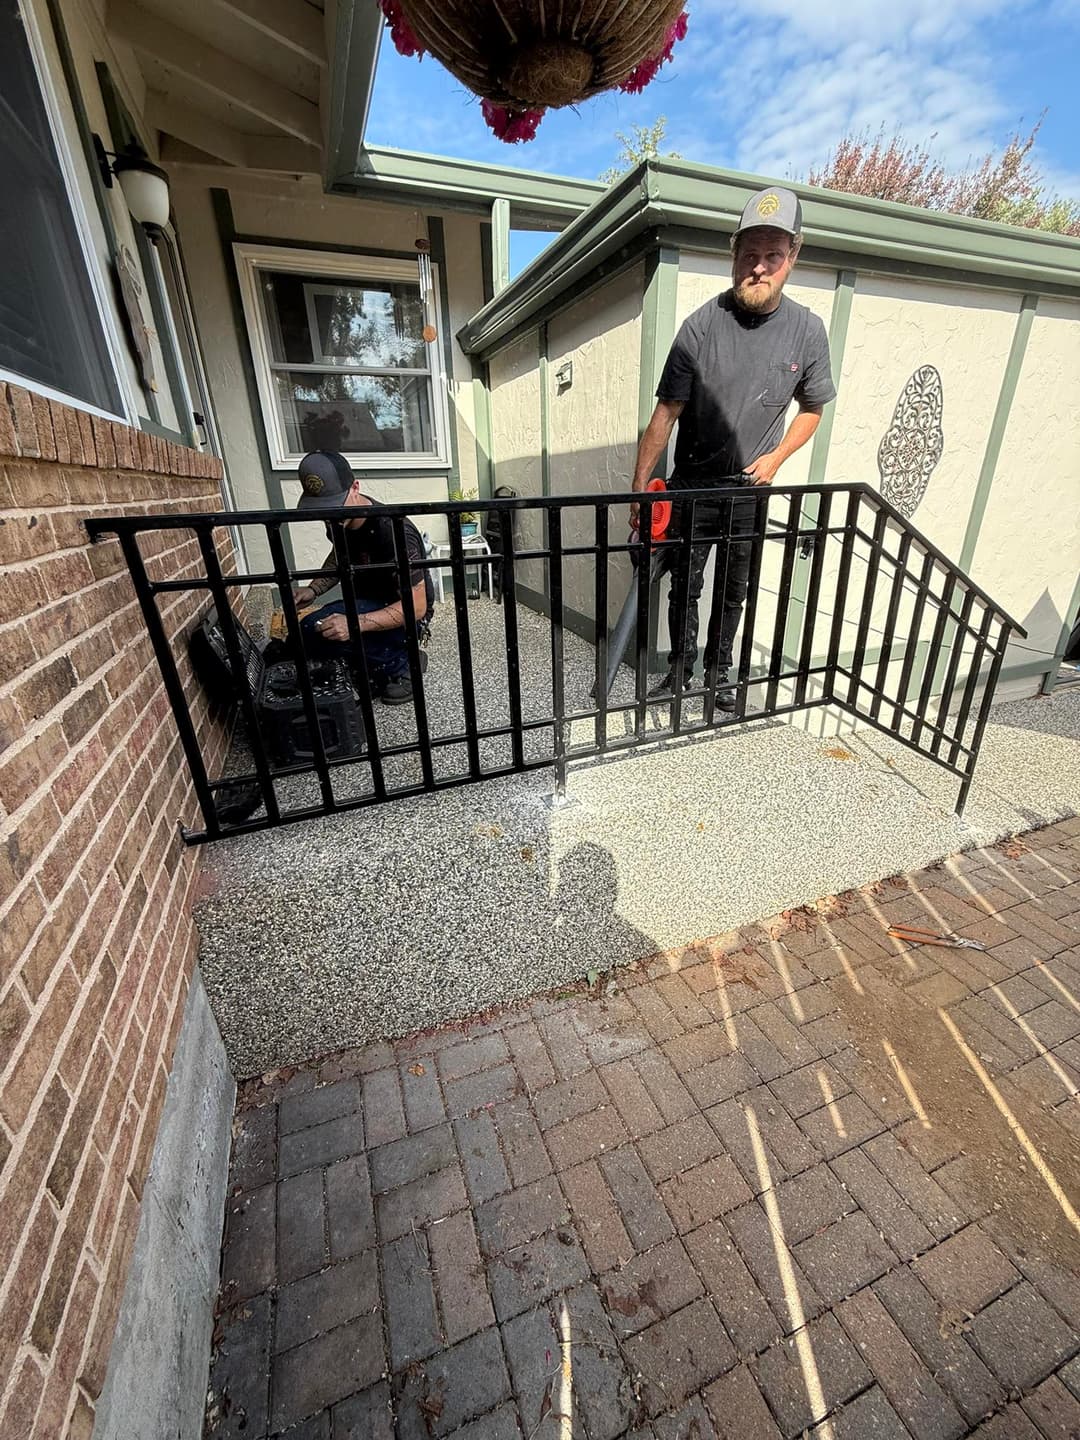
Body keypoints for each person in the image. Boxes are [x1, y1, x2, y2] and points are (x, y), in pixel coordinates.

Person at [632, 186, 837, 707]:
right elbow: (665, 414)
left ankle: (719, 675)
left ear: (792, 256)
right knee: (684, 586)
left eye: (772, 255)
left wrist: (777, 458)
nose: (759, 267)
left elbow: (812, 409)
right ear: (734, 256)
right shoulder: (700, 327)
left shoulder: (808, 331)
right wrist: (639, 490)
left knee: (734, 589)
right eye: (749, 254)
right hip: (691, 485)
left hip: (749, 489)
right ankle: (680, 672)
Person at [291, 450, 433, 704]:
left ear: (355, 488)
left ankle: (404, 662)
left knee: (315, 630)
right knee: (309, 632)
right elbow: (340, 555)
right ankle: (374, 660)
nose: (328, 516)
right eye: (322, 508)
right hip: (367, 602)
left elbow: (417, 606)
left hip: (405, 613)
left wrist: (354, 624)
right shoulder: (339, 522)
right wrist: (313, 589)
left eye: (335, 505)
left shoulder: (393, 531)